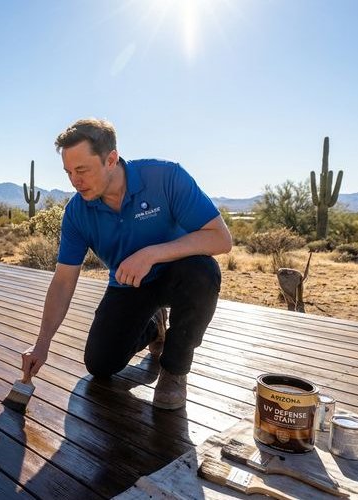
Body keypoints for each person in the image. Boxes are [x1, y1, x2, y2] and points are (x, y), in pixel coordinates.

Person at [21, 118, 232, 409]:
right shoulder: (77, 213)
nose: (74, 181)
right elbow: (63, 280)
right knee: (100, 365)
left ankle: (174, 370)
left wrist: (150, 254)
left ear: (111, 159)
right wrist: (42, 342)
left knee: (204, 272)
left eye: (82, 170)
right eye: (69, 172)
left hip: (178, 274)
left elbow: (221, 239)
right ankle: (154, 328)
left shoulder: (165, 177)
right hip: (129, 284)